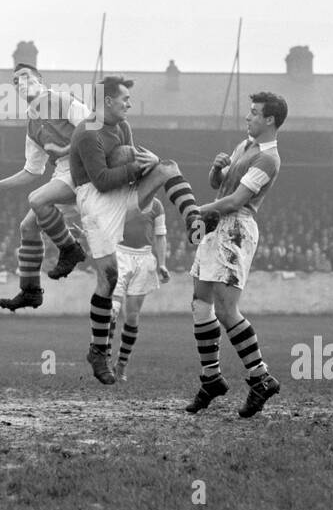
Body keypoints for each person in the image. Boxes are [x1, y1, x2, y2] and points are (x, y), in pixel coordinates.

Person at [68, 75, 204, 385]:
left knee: (167, 166)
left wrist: (150, 162)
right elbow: (101, 179)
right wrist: (137, 167)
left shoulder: (123, 127)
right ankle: (98, 351)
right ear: (106, 102)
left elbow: (133, 162)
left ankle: (193, 215)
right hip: (96, 200)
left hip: (122, 192)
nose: (129, 103)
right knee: (110, 276)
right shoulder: (87, 133)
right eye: (124, 99)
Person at [184, 91, 287, 419]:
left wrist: (199, 209)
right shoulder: (244, 146)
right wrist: (215, 171)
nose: (248, 117)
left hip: (235, 229)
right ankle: (211, 377)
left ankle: (261, 378)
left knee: (227, 310)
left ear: (270, 120)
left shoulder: (269, 159)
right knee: (201, 303)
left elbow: (237, 200)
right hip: (215, 225)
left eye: (255, 113)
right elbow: (222, 186)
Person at [0, 60, 92, 310]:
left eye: (26, 76)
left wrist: (64, 148)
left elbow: (93, 128)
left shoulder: (62, 100)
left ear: (40, 81)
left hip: (84, 165)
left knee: (37, 199)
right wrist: (0, 185)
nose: (21, 82)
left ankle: (70, 249)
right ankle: (30, 291)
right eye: (16, 80)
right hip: (64, 172)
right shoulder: (32, 125)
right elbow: (33, 170)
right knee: (28, 226)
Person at [106, 197, 169, 382]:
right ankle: (106, 360)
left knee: (132, 316)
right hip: (119, 255)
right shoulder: (120, 198)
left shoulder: (157, 205)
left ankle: (122, 365)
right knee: (112, 311)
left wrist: (162, 264)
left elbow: (160, 236)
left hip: (144, 260)